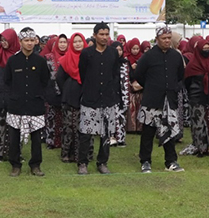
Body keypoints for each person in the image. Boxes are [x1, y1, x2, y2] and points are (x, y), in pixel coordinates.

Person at [133, 24, 185, 173]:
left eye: (169, 38)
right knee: (148, 133)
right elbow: (138, 74)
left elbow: (180, 75)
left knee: (169, 131)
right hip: (152, 100)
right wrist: (150, 86)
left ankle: (171, 161)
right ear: (157, 39)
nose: (167, 41)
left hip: (169, 100)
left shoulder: (176, 56)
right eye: (164, 38)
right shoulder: (148, 56)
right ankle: (145, 161)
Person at [5, 27, 51, 176]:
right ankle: (15, 165)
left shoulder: (40, 61)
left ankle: (35, 165)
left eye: (32, 40)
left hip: (35, 104)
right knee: (14, 138)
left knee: (36, 139)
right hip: (16, 105)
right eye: (26, 40)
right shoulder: (13, 61)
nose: (29, 43)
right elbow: (7, 81)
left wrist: (39, 95)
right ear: (20, 41)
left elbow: (45, 81)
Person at [76, 22, 121, 175]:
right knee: (86, 133)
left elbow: (115, 74)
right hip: (90, 98)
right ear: (94, 35)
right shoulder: (86, 53)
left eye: (106, 34)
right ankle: (83, 163)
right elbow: (83, 73)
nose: (104, 37)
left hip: (108, 99)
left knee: (106, 133)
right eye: (101, 34)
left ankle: (102, 162)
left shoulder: (113, 53)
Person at [56, 33, 91, 164]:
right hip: (70, 97)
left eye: (80, 41)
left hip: (87, 96)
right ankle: (67, 154)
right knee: (69, 127)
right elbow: (59, 78)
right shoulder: (66, 58)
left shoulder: (89, 57)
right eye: (75, 42)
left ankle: (83, 154)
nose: (77, 44)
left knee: (86, 126)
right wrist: (67, 88)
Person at [181, 35, 209, 157]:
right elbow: (187, 81)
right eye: (204, 49)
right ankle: (199, 147)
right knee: (198, 123)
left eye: (208, 48)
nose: (207, 51)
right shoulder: (192, 65)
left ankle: (206, 148)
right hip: (196, 97)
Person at [0, 28, 20, 162]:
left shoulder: (19, 56)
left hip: (14, 94)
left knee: (14, 126)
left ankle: (14, 152)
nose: (3, 43)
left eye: (6, 40)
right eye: (1, 40)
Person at [124, 38, 144, 133]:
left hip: (140, 87)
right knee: (131, 107)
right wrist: (131, 68)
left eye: (137, 48)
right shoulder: (127, 58)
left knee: (140, 106)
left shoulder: (142, 57)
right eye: (133, 49)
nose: (135, 51)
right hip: (131, 87)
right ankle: (131, 127)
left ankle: (139, 127)